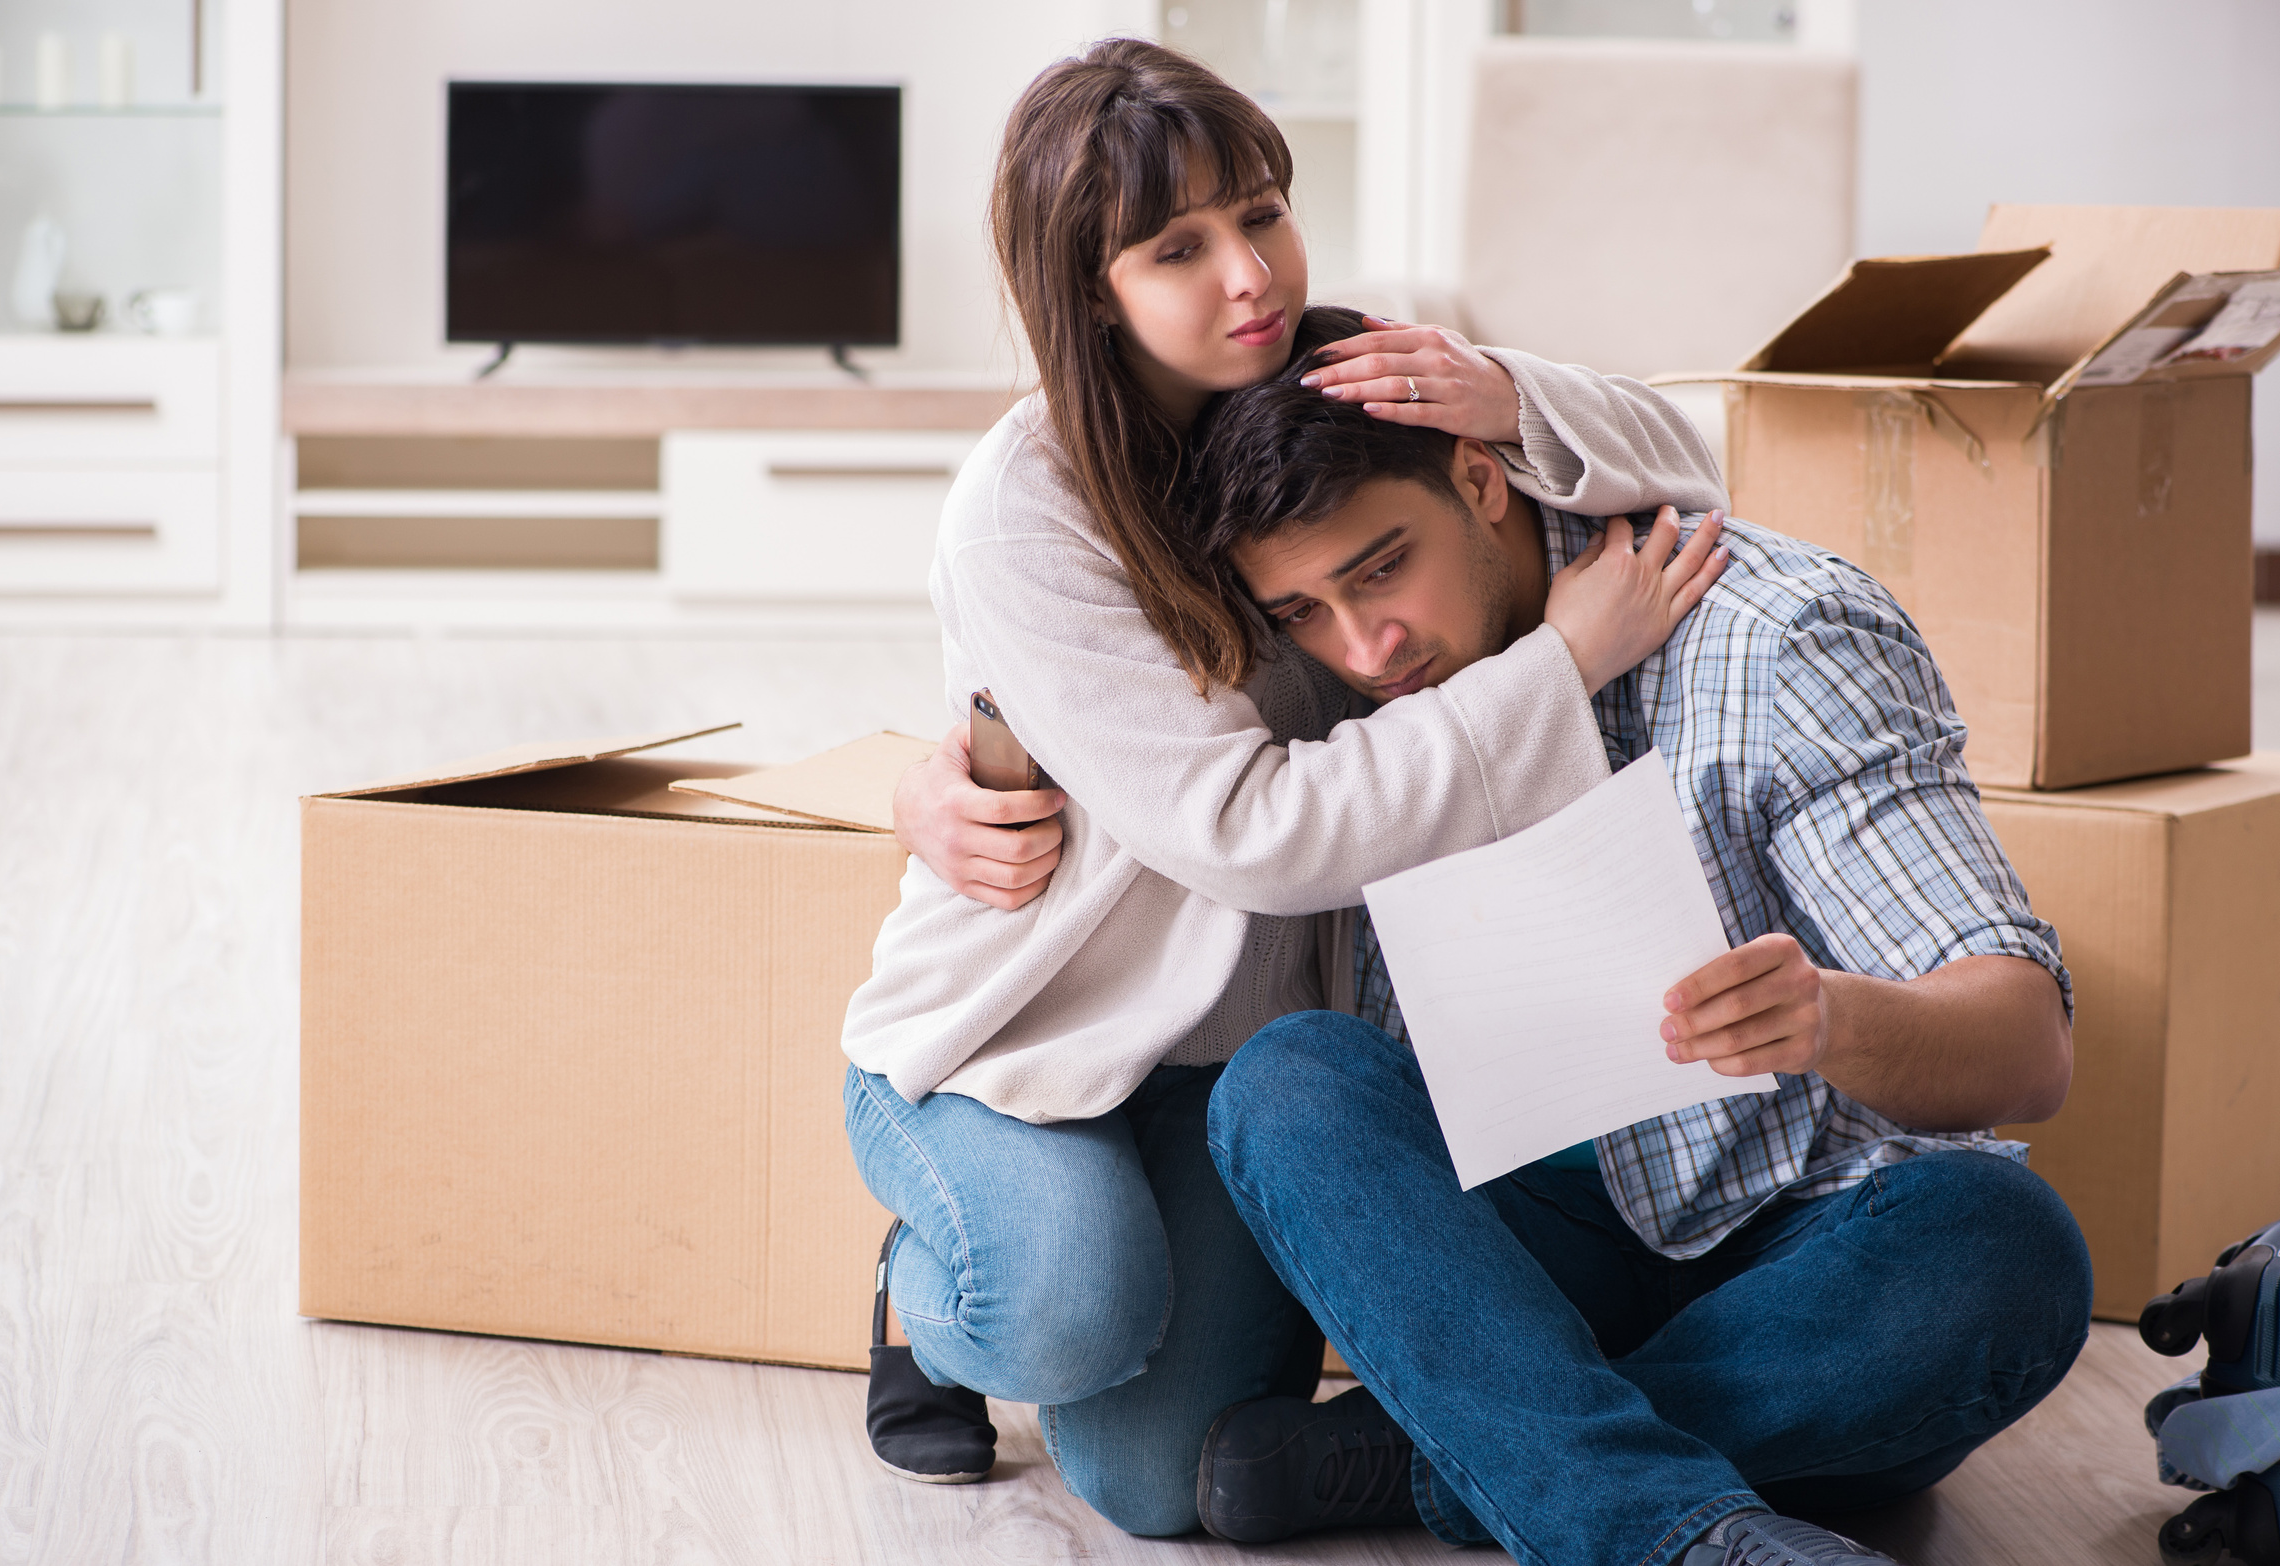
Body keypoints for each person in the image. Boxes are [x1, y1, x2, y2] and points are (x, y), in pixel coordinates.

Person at [845, 38, 1731, 1536]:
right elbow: (1248, 828)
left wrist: (1504, 392)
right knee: (1058, 1311)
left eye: (1260, 214)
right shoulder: (1024, 513)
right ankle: (923, 1295)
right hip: (1022, 1030)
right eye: (1177, 249)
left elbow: (1688, 461)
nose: (1247, 275)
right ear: (1090, 291)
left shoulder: (1335, 371)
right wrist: (1557, 666)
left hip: (1234, 1052)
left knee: (1156, 1483)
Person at [1167, 319, 2094, 1566]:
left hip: (1803, 1262)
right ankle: (1662, 1526)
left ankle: (1460, 1457)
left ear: (1479, 478)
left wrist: (1830, 1018)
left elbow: (2024, 1047)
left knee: (2003, 1248)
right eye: (1304, 612)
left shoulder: (1775, 634)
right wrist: (948, 785)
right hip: (1517, 1274)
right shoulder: (1329, 704)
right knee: (1286, 1085)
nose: (1363, 647)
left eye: (1382, 570)